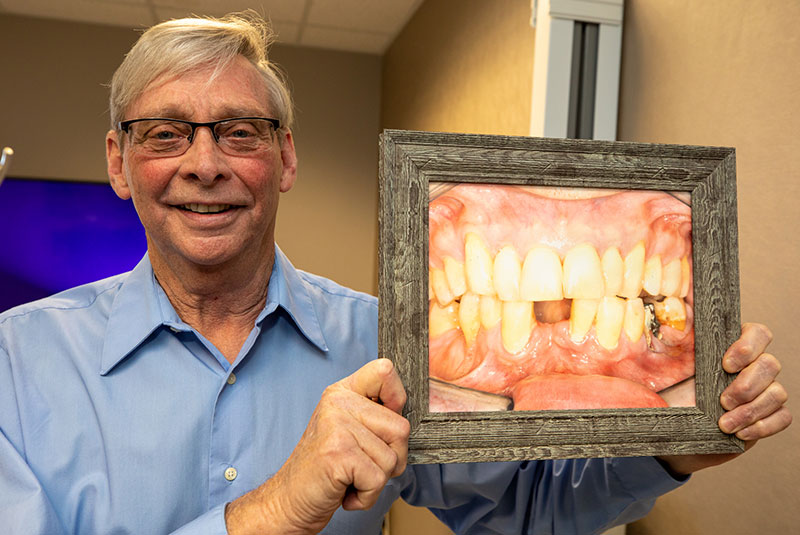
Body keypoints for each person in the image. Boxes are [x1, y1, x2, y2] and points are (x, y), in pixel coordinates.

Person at [0, 12, 790, 535]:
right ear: (119, 162)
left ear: (286, 158)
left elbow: (528, 507)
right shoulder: (15, 363)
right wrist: (279, 504)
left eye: (240, 132)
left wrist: (678, 444)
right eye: (166, 134)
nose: (204, 164)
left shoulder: (384, 339)